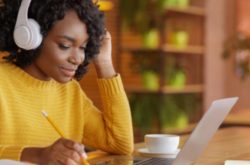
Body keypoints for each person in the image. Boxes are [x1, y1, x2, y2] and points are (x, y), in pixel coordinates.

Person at [0, 0, 134, 164]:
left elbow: (121, 144)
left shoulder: (70, 91)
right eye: (65, 45)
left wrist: (104, 63)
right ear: (29, 37)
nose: (77, 58)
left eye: (83, 47)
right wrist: (38, 156)